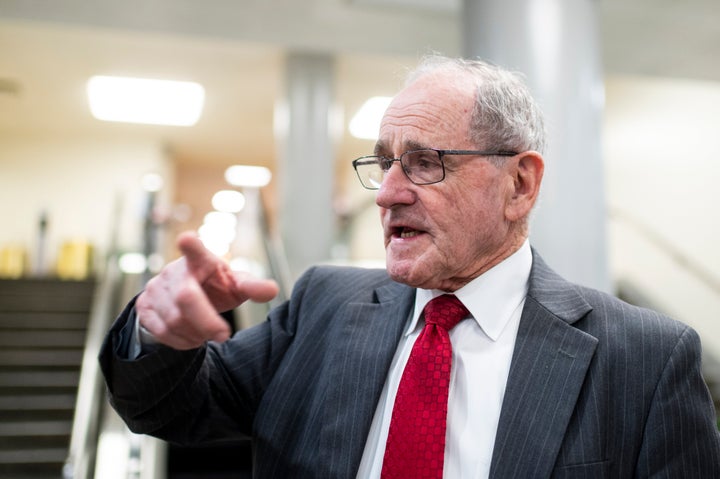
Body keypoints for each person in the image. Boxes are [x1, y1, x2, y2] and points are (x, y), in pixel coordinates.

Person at [99, 55, 720, 478]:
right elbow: (170, 411)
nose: (389, 192)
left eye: (425, 162)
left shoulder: (644, 358)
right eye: (384, 164)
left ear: (519, 185)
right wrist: (158, 336)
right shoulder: (322, 305)